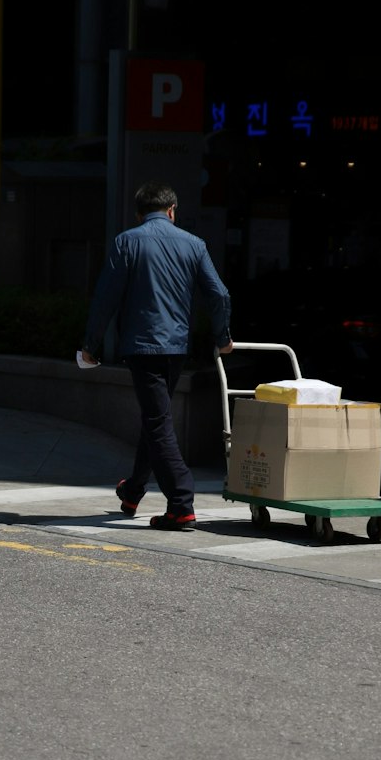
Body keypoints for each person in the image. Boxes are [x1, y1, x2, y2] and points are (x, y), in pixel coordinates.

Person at [78, 180, 234, 530]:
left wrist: (90, 345)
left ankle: (181, 502)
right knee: (157, 419)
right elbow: (219, 295)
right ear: (172, 211)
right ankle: (132, 491)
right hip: (176, 348)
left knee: (157, 422)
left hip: (142, 348)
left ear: (139, 213)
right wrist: (222, 337)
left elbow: (106, 298)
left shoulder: (127, 242)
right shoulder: (194, 244)